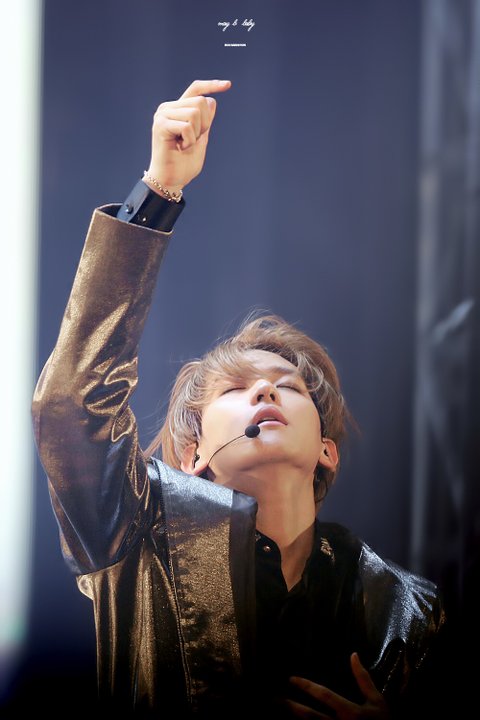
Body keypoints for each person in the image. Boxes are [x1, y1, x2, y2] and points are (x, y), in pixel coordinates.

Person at [32, 79, 446, 719]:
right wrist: (160, 190)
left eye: (289, 387)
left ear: (327, 451)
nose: (266, 388)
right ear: (192, 454)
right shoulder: (135, 534)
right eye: (236, 387)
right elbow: (71, 403)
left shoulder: (407, 609)